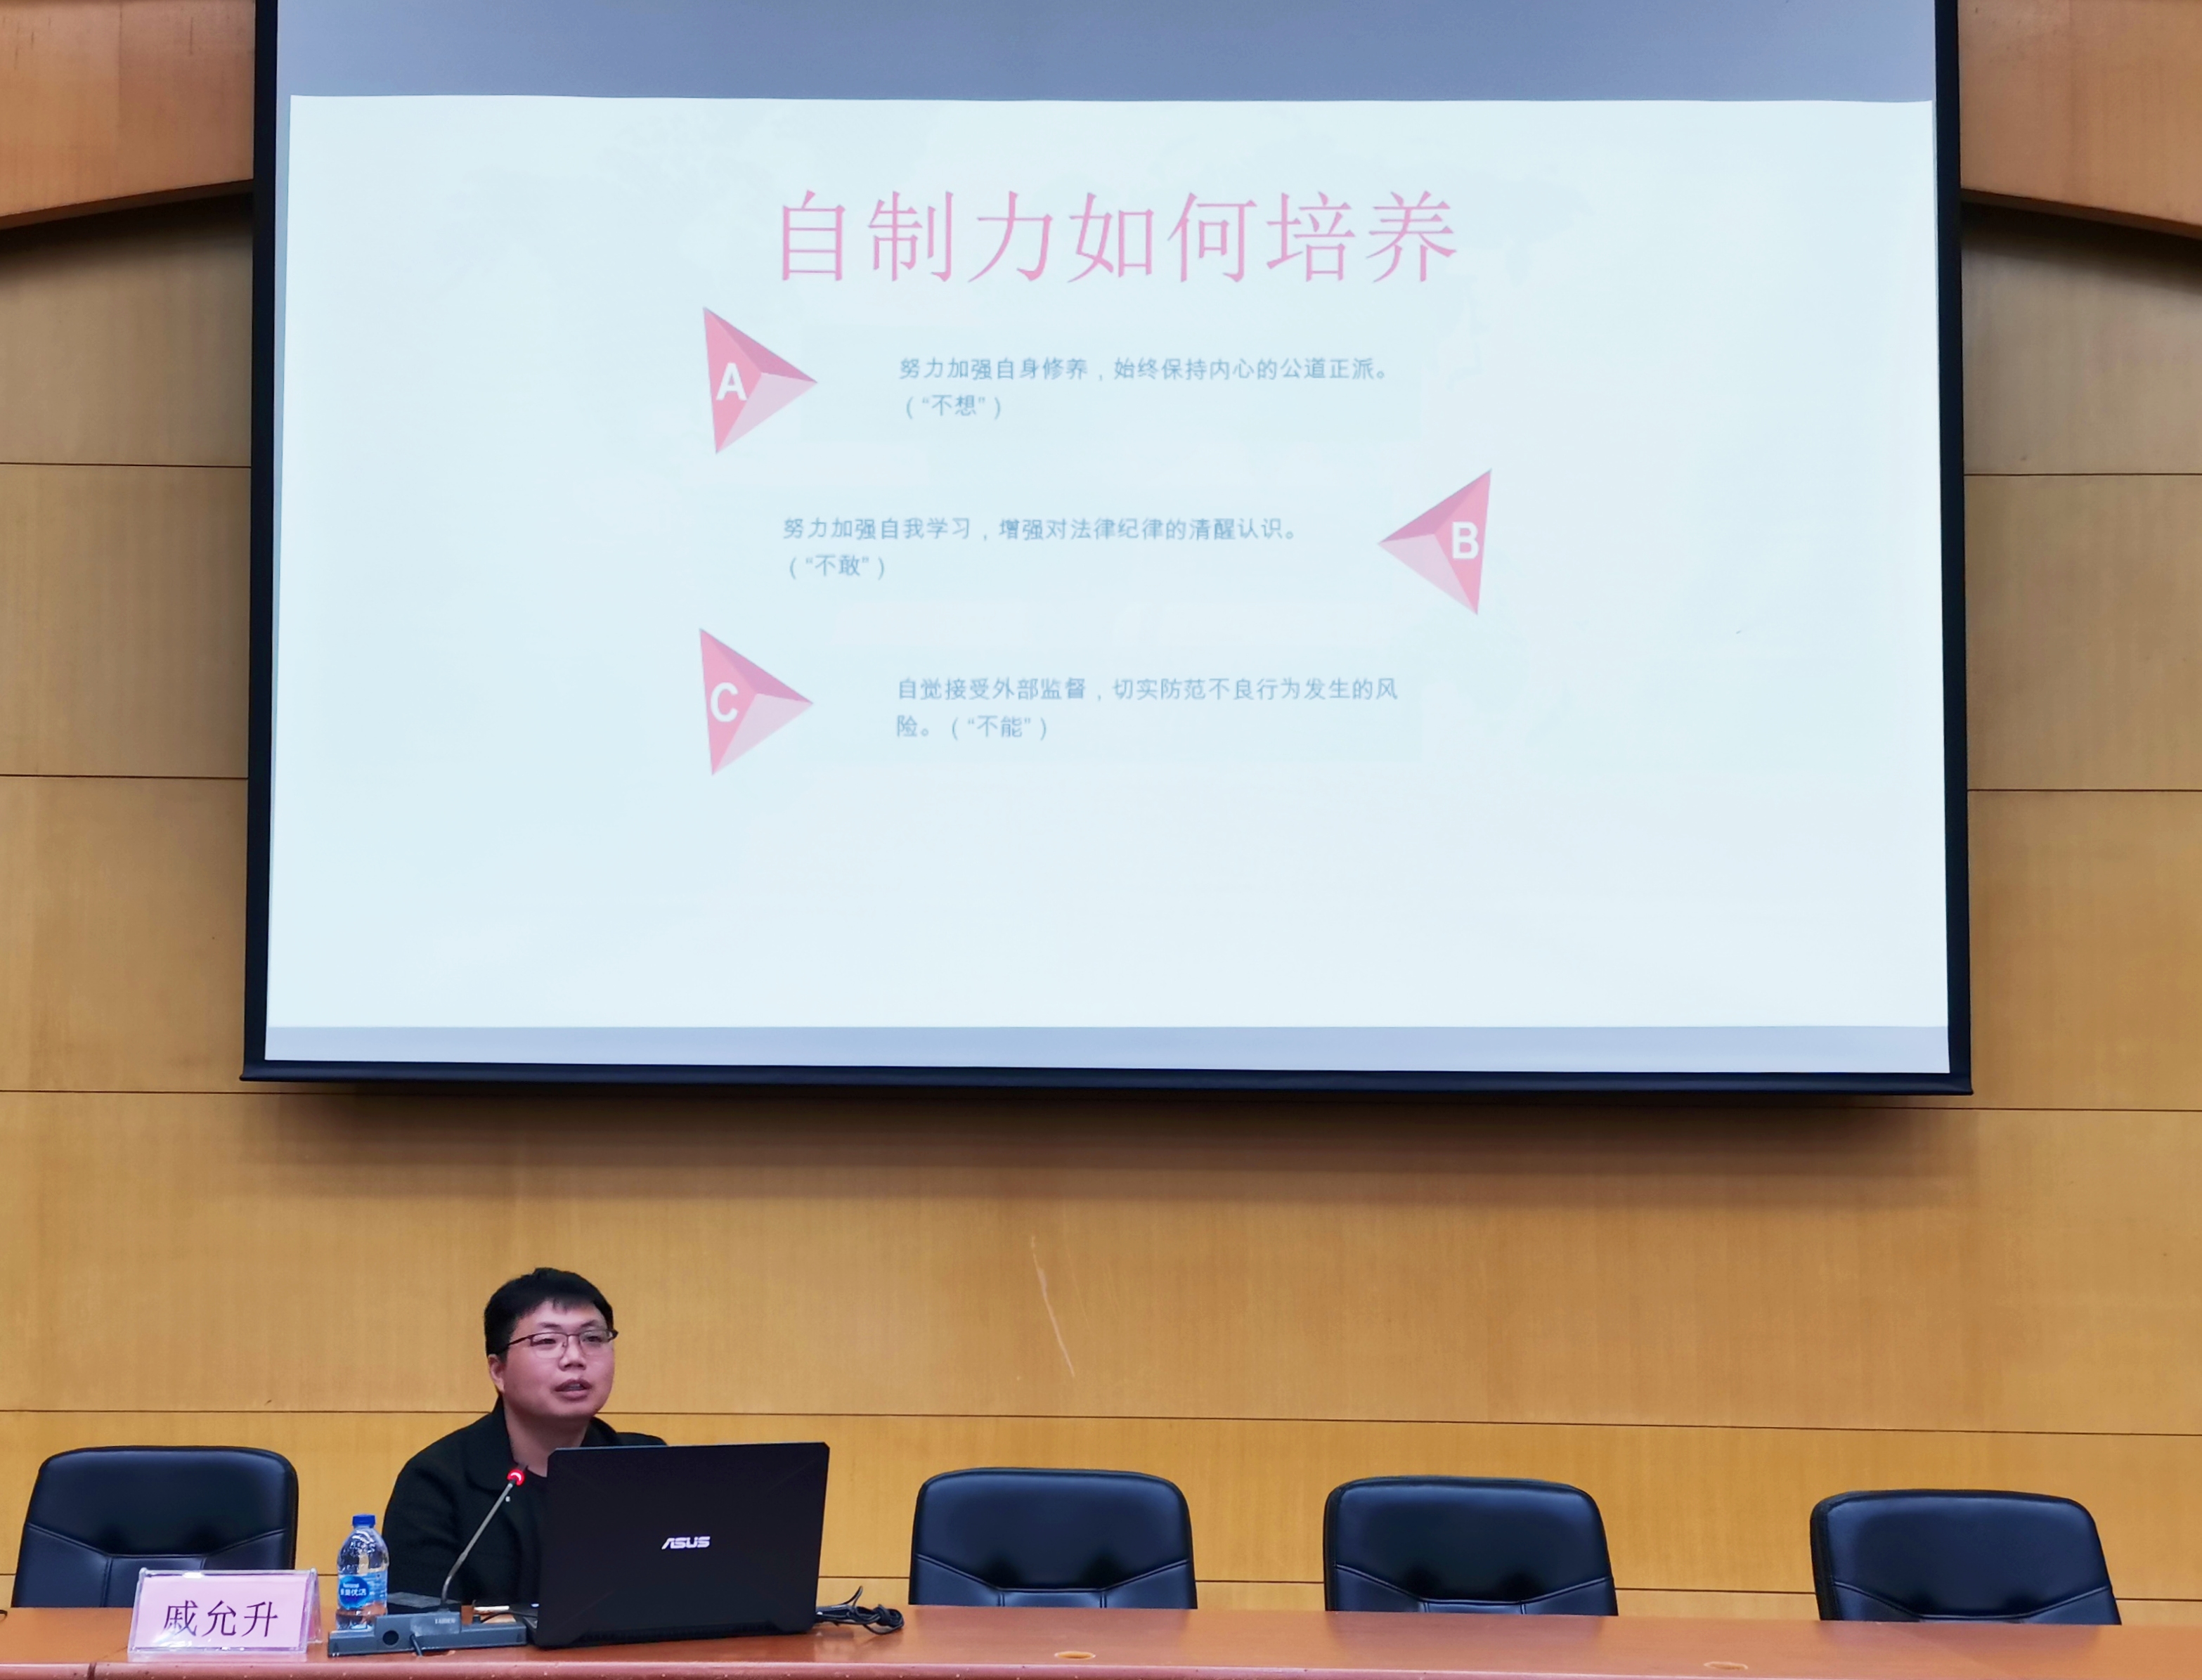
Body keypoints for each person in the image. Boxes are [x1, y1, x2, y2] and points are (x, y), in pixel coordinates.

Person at [382, 1268, 663, 1605]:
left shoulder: (648, 1466)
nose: (575, 1358)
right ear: (498, 1371)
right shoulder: (436, 1482)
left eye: (593, 1338)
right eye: (547, 1341)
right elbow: (421, 1623)